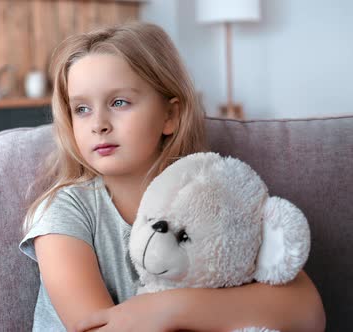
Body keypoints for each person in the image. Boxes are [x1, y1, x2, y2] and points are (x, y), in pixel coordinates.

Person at [19, 22, 325, 332]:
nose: (98, 123)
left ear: (170, 115)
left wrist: (169, 309)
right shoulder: (64, 212)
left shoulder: (212, 193)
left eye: (119, 102)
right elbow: (94, 327)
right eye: (81, 108)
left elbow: (307, 313)